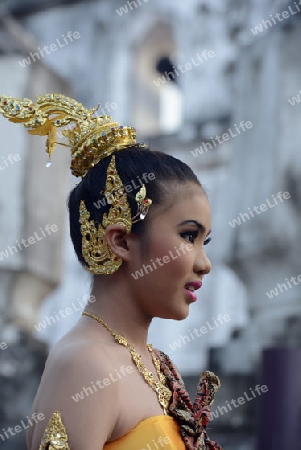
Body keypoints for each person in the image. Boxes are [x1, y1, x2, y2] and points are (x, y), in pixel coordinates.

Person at [0, 93, 223, 450]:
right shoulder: (86, 365)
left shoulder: (161, 366)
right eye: (188, 236)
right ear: (120, 240)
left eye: (204, 242)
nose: (204, 263)